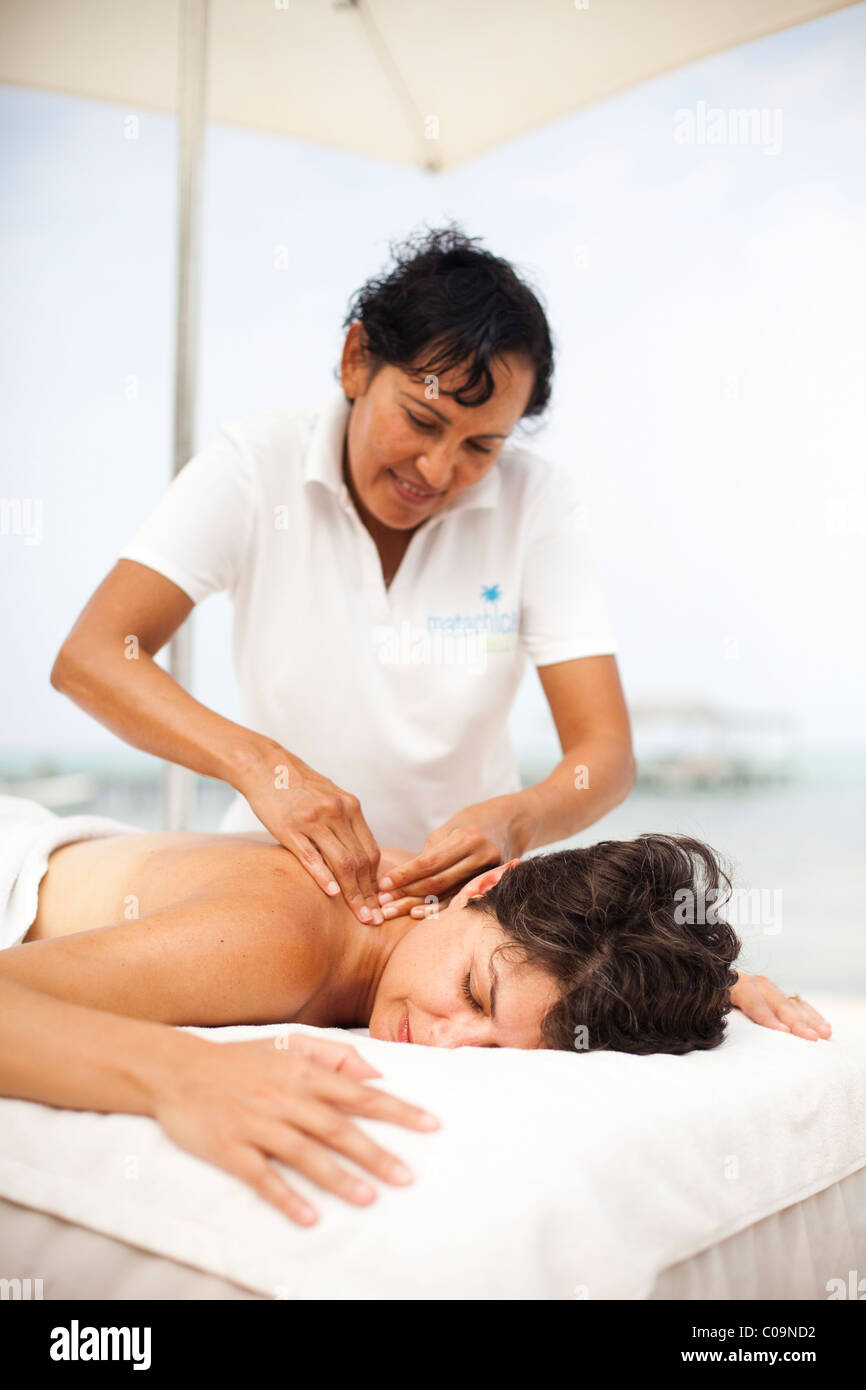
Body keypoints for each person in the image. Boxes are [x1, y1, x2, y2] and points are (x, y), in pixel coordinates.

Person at [49, 223, 636, 930]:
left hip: (460, 907)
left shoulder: (532, 501)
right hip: (290, 882)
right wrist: (269, 770)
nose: (440, 470)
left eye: (482, 445)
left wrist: (522, 816)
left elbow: (605, 755)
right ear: (357, 360)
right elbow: (94, 656)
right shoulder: (254, 464)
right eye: (422, 420)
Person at [0, 815, 831, 1225]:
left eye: (498, 1047)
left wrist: (707, 984)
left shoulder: (436, 923)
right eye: (473, 993)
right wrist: (180, 1075)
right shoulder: (273, 942)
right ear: (477, 888)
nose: (445, 1041)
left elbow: (574, 957)